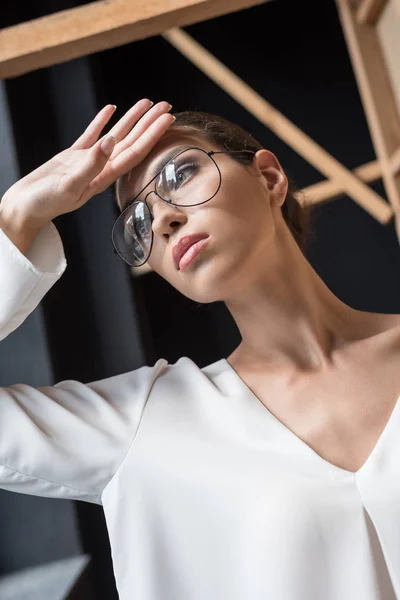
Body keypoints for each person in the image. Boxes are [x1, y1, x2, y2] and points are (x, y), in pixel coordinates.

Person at [1, 98, 400, 600]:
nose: (162, 219)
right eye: (138, 222)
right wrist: (17, 216)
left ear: (270, 178)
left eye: (179, 173)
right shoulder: (146, 425)